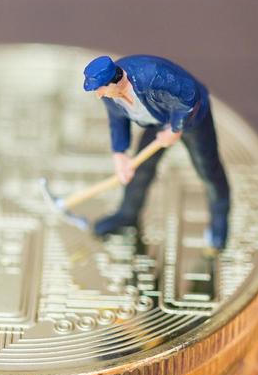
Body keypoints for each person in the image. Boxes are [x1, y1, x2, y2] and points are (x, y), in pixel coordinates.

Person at [81, 54, 231, 252]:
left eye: (100, 89)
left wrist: (175, 128)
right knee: (141, 170)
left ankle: (219, 228)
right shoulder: (110, 96)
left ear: (114, 81)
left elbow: (189, 95)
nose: (99, 94)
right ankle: (128, 214)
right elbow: (117, 120)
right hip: (157, 119)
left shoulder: (152, 75)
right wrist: (120, 154)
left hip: (192, 118)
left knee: (207, 170)